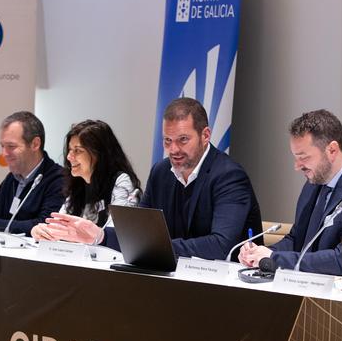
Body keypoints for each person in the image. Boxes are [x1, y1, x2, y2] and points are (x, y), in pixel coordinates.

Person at [46, 97, 262, 260]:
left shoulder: (228, 176)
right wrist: (99, 236)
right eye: (167, 141)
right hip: (173, 277)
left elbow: (221, 245)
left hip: (224, 286)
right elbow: (138, 233)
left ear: (205, 135)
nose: (173, 149)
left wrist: (157, 247)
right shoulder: (160, 172)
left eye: (183, 140)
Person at [239, 109, 342, 275]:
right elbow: (296, 240)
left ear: (332, 150)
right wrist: (258, 254)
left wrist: (274, 258)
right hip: (307, 287)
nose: (297, 166)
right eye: (295, 157)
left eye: (304, 157)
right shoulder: (315, 181)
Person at [31, 120, 141, 241]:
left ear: (99, 154)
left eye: (77, 150)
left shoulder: (120, 181)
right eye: (70, 150)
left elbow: (118, 235)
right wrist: (41, 231)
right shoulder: (79, 183)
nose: (69, 157)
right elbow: (59, 226)